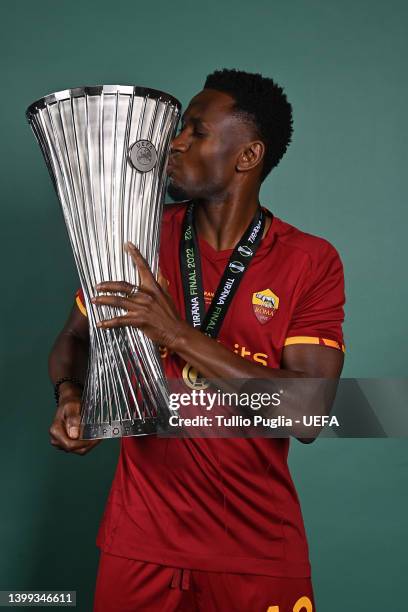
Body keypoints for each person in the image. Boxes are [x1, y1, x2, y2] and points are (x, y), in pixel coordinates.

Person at [48, 69, 345, 611]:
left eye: (196, 131)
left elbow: (308, 414)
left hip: (255, 550)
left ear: (247, 156)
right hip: (138, 544)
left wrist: (174, 335)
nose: (174, 142)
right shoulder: (137, 236)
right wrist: (71, 396)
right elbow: (73, 339)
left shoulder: (309, 260)